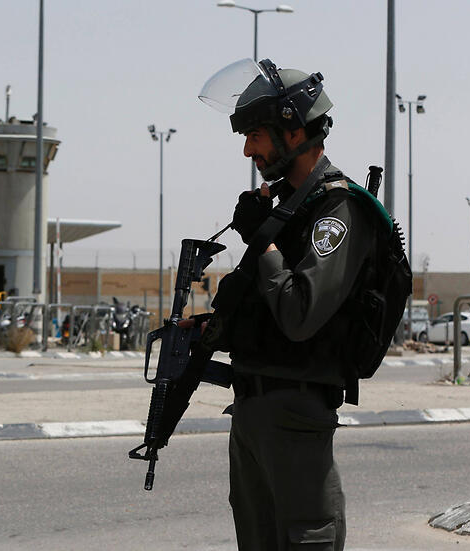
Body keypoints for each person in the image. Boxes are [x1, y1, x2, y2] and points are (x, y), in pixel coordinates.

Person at [198, 58, 381, 550]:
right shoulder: (287, 208)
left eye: (256, 136)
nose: (247, 149)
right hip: (253, 405)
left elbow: (300, 315)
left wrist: (265, 243)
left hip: (296, 407)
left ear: (294, 131)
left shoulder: (337, 209)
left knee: (307, 539)